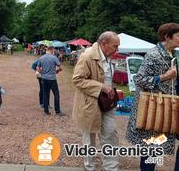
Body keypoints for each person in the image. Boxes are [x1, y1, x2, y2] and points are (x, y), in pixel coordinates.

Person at [126, 23, 179, 171]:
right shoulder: (154, 55)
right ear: (167, 37)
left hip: (165, 107)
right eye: (178, 36)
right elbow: (140, 80)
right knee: (151, 147)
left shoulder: (173, 54)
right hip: (152, 109)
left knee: (156, 146)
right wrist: (164, 76)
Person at [72, 31, 120, 171]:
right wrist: (102, 87)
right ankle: (89, 167)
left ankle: (111, 168)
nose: (117, 49)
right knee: (89, 137)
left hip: (107, 104)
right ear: (104, 44)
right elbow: (77, 79)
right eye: (115, 46)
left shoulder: (108, 55)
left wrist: (110, 89)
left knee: (110, 134)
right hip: (90, 104)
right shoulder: (87, 56)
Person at [37, 45, 64, 116]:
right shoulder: (54, 58)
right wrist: (57, 71)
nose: (54, 52)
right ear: (51, 50)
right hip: (52, 79)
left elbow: (37, 68)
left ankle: (46, 111)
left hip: (44, 79)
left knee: (45, 94)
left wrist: (41, 72)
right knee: (56, 94)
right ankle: (57, 111)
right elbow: (61, 68)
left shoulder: (41, 57)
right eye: (53, 50)